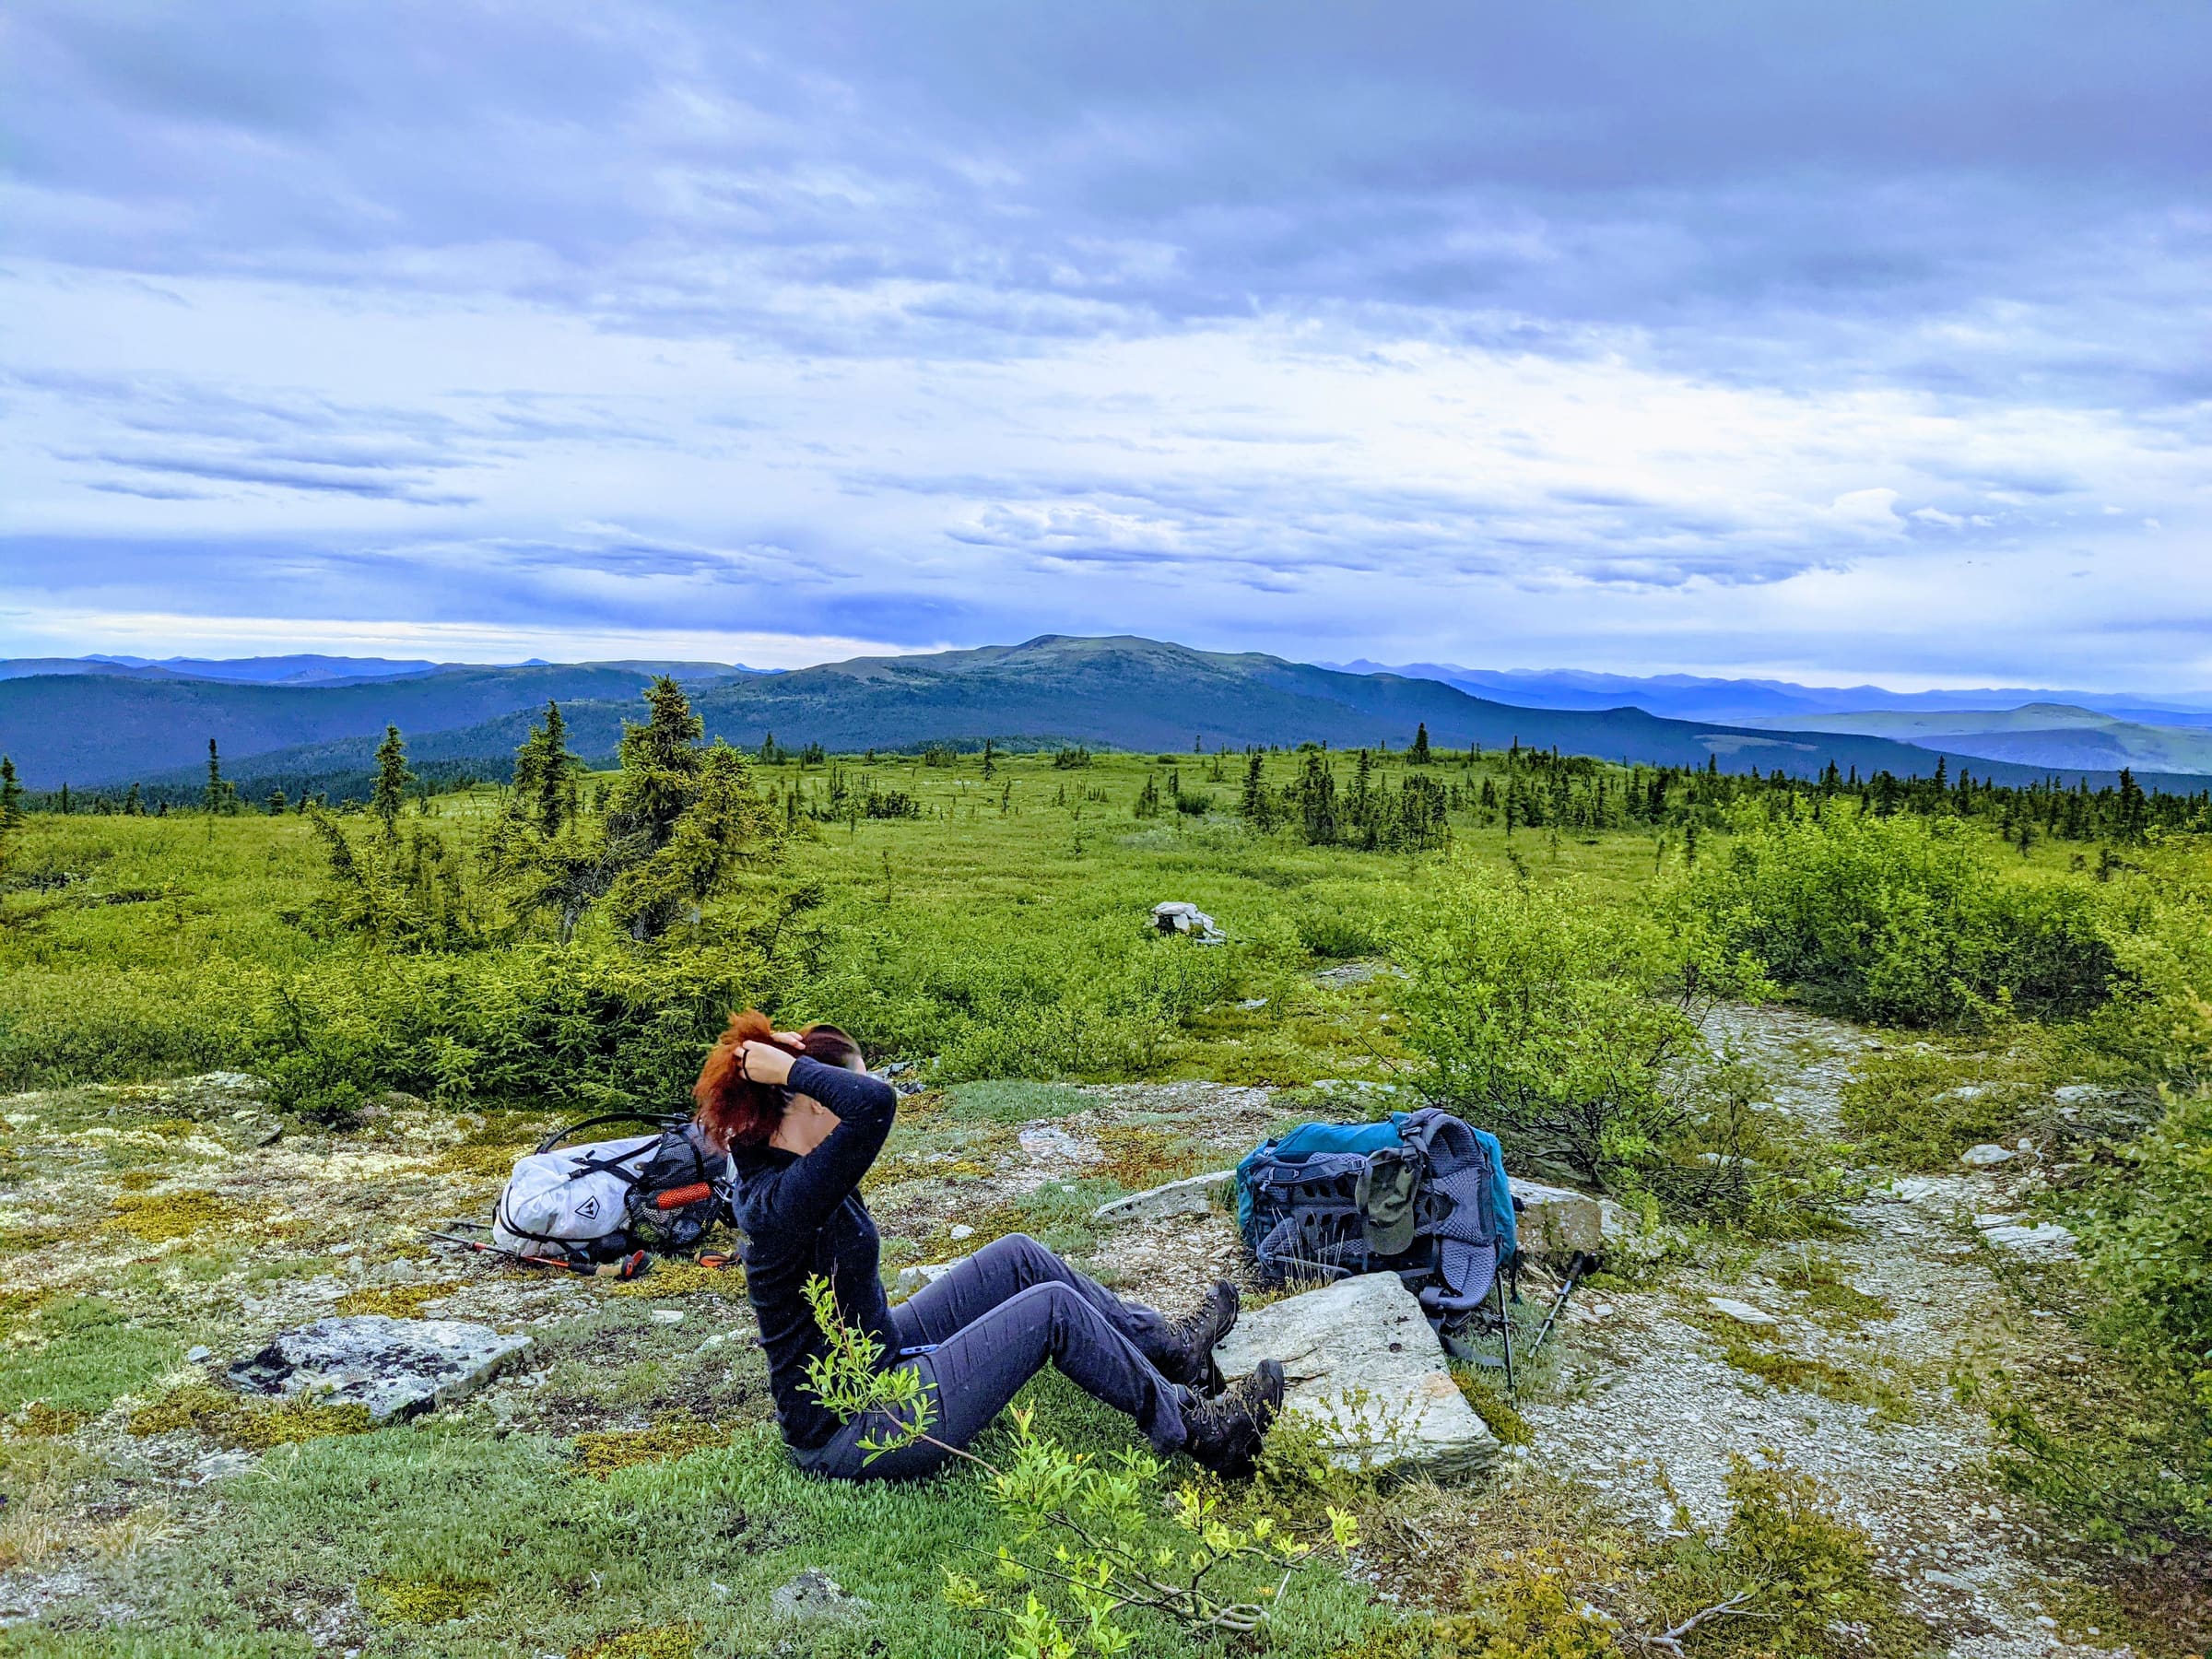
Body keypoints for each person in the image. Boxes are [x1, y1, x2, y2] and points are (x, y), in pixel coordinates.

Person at [694, 1009, 1285, 1481]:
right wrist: (789, 1069)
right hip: (857, 1427)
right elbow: (875, 1107)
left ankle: (1171, 1351)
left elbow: (858, 1105)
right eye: (853, 1081)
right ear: (815, 1100)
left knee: (1018, 1257)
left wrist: (779, 1065)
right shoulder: (782, 1202)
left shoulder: (788, 1161)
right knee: (1052, 1310)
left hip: (882, 1355)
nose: (867, 1089)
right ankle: (1202, 1432)